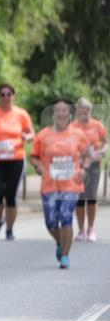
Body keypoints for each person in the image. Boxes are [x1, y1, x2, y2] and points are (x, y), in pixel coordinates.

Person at [30, 99, 92, 269]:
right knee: (51, 222)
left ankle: (65, 255)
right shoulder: (43, 135)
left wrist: (84, 169)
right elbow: (34, 156)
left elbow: (87, 155)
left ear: (69, 114)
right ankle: (60, 241)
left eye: (65, 111)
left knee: (65, 217)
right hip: (49, 185)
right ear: (53, 113)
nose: (62, 113)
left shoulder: (78, 135)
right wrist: (37, 166)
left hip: (71, 185)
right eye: (58, 110)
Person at [0, 83, 34, 240]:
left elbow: (32, 133)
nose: (6, 97)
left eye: (9, 94)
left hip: (15, 159)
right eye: (2, 94)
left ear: (13, 96)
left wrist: (26, 137)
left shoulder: (21, 114)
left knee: (11, 196)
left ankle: (9, 229)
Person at [71, 98, 107, 241]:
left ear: (90, 112)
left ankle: (91, 229)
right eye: (80, 113)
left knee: (91, 196)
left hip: (93, 164)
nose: (83, 116)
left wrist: (103, 151)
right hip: (78, 165)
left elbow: (105, 143)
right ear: (77, 112)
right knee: (80, 198)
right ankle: (80, 230)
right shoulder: (72, 127)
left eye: (86, 113)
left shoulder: (98, 126)